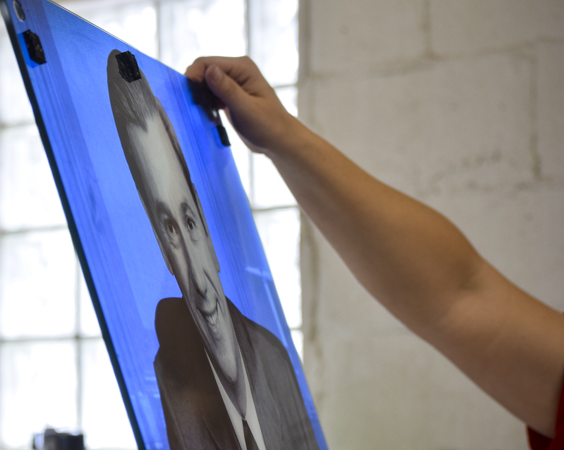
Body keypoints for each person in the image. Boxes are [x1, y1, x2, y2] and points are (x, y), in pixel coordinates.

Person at [183, 55, 564, 449]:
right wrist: (281, 135)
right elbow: (459, 296)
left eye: (190, 224)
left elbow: (461, 297)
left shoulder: (265, 360)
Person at [106, 49, 320, 450]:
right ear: (161, 250)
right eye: (169, 231)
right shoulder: (166, 382)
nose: (200, 284)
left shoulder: (272, 358)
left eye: (189, 222)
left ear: (206, 229)